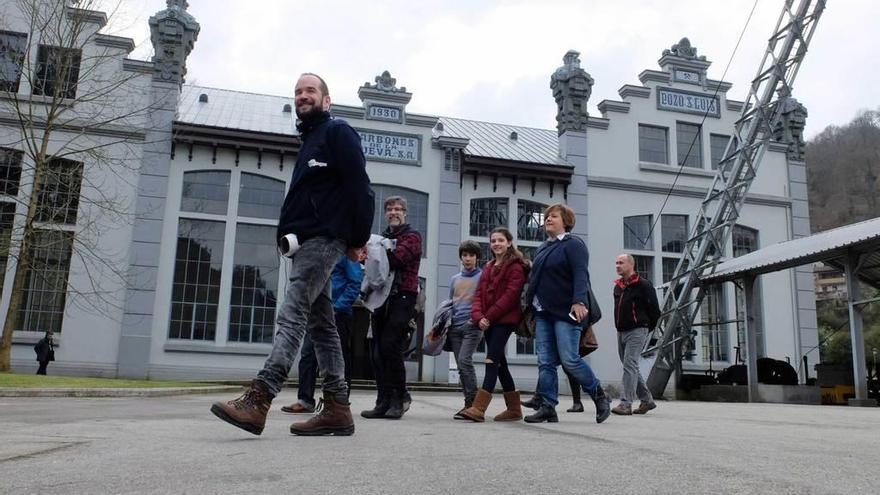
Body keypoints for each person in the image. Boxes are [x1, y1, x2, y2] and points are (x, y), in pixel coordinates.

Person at [211, 73, 374, 437]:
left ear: (327, 101)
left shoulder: (337, 133)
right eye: (298, 91)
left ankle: (260, 398)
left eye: (310, 90)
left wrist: (357, 237)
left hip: (323, 240)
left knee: (292, 311)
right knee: (322, 325)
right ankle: (337, 407)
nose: (303, 96)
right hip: (304, 245)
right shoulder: (310, 142)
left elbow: (361, 188)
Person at [524, 203, 611, 424]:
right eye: (546, 217)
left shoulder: (574, 244)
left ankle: (599, 395)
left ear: (566, 221)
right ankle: (548, 407)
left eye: (553, 216)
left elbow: (581, 274)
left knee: (570, 359)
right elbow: (535, 278)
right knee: (545, 362)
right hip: (543, 312)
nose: (548, 220)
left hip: (566, 311)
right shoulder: (543, 247)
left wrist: (579, 301)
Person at [282, 249, 365, 414]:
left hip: (337, 314)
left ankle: (339, 402)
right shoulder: (319, 252)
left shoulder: (344, 253)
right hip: (315, 311)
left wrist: (337, 308)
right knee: (308, 355)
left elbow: (355, 282)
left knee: (337, 359)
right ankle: (305, 400)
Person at [361, 196, 422, 420]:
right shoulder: (383, 238)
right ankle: (382, 401)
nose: (393, 212)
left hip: (403, 296)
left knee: (390, 346)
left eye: (398, 209)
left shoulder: (412, 236)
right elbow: (370, 262)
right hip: (380, 297)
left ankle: (399, 398)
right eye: (389, 209)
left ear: (405, 212)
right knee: (377, 351)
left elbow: (396, 260)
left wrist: (372, 252)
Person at [459, 227, 527, 422]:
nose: (496, 244)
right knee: (501, 364)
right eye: (493, 241)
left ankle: (478, 408)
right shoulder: (488, 266)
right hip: (487, 321)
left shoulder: (516, 266)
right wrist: (479, 316)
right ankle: (514, 409)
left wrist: (488, 316)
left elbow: (510, 296)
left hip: (504, 321)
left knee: (491, 361)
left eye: (500, 240)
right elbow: (479, 294)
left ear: (509, 243)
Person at [611, 253, 661, 415]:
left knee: (629, 364)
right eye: (616, 263)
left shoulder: (644, 285)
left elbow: (655, 310)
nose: (617, 265)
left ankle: (626, 403)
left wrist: (645, 327)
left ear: (631, 265)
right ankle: (647, 401)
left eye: (621, 263)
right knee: (630, 365)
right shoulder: (618, 287)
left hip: (638, 330)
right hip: (621, 330)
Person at [447, 240, 483, 419]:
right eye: (465, 255)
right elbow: (450, 303)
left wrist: (474, 320)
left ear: (477, 257)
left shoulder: (482, 277)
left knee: (464, 362)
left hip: (472, 327)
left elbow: (484, 301)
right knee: (462, 367)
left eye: (471, 255)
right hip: (454, 327)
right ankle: (468, 404)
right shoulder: (455, 279)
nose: (467, 259)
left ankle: (473, 404)